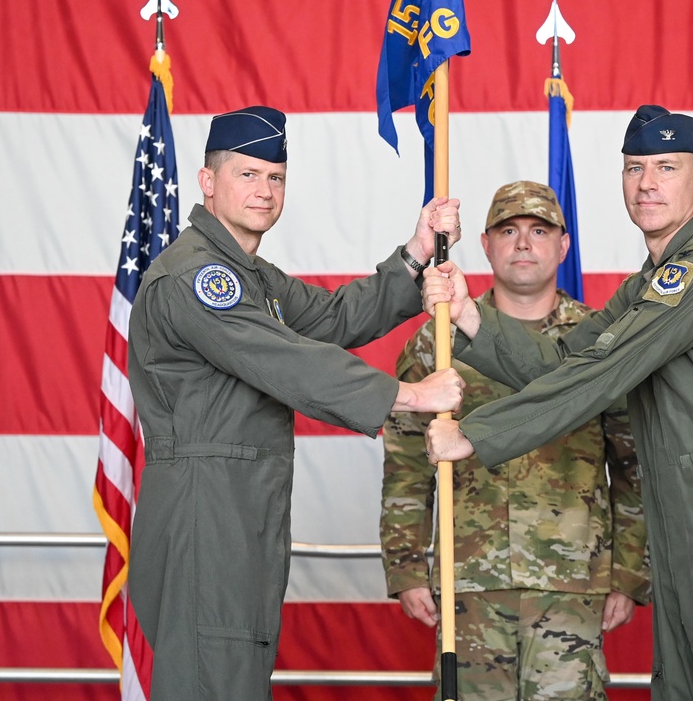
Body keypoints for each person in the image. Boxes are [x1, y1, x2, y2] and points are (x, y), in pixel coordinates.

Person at [422, 105, 693, 701]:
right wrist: (469, 315)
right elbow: (565, 357)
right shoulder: (651, 280)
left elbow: (603, 372)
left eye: (667, 167)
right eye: (635, 168)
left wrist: (475, 435)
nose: (648, 184)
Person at [126, 105, 466, 700]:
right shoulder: (199, 278)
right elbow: (287, 361)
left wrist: (413, 255)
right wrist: (408, 394)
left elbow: (330, 319)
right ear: (208, 182)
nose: (264, 191)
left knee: (235, 674)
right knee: (214, 681)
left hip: (240, 503)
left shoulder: (250, 276)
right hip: (207, 507)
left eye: (275, 177)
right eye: (248, 175)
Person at [380, 181, 651, 700]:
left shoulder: (600, 342)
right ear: (485, 244)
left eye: (539, 230)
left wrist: (628, 573)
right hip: (469, 582)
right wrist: (407, 566)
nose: (523, 243)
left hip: (572, 580)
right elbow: (408, 466)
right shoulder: (438, 338)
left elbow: (633, 466)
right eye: (509, 230)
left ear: (563, 246)